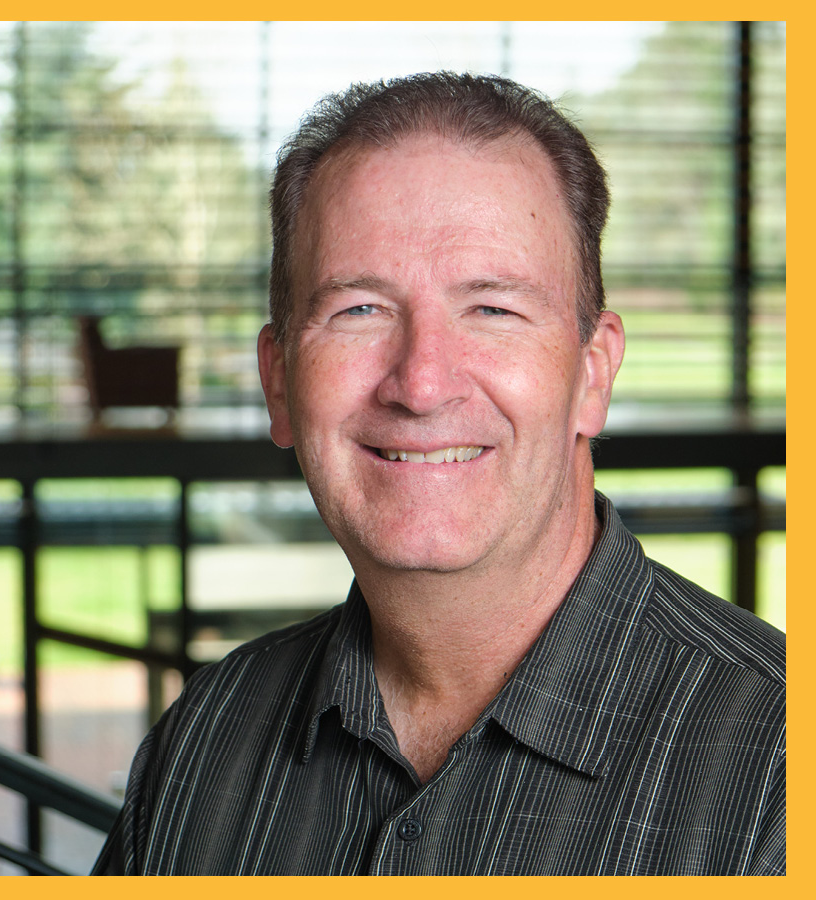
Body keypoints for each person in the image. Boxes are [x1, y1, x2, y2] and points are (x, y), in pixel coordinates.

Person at [92, 72, 785, 876]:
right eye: (359, 309)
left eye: (493, 308)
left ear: (592, 374)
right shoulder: (206, 740)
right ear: (279, 382)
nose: (421, 384)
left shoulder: (778, 770)